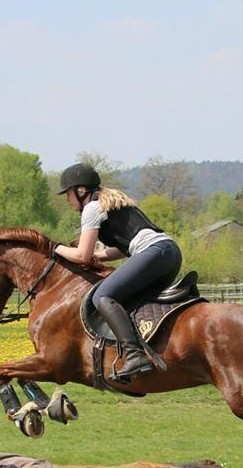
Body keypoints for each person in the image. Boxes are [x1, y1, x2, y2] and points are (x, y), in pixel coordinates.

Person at [53, 162, 182, 381]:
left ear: (81, 190)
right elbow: (125, 247)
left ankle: (135, 355)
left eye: (68, 194)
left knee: (103, 296)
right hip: (169, 253)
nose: (67, 200)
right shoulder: (112, 204)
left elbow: (82, 255)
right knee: (129, 300)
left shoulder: (92, 208)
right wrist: (100, 257)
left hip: (154, 253)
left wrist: (55, 248)